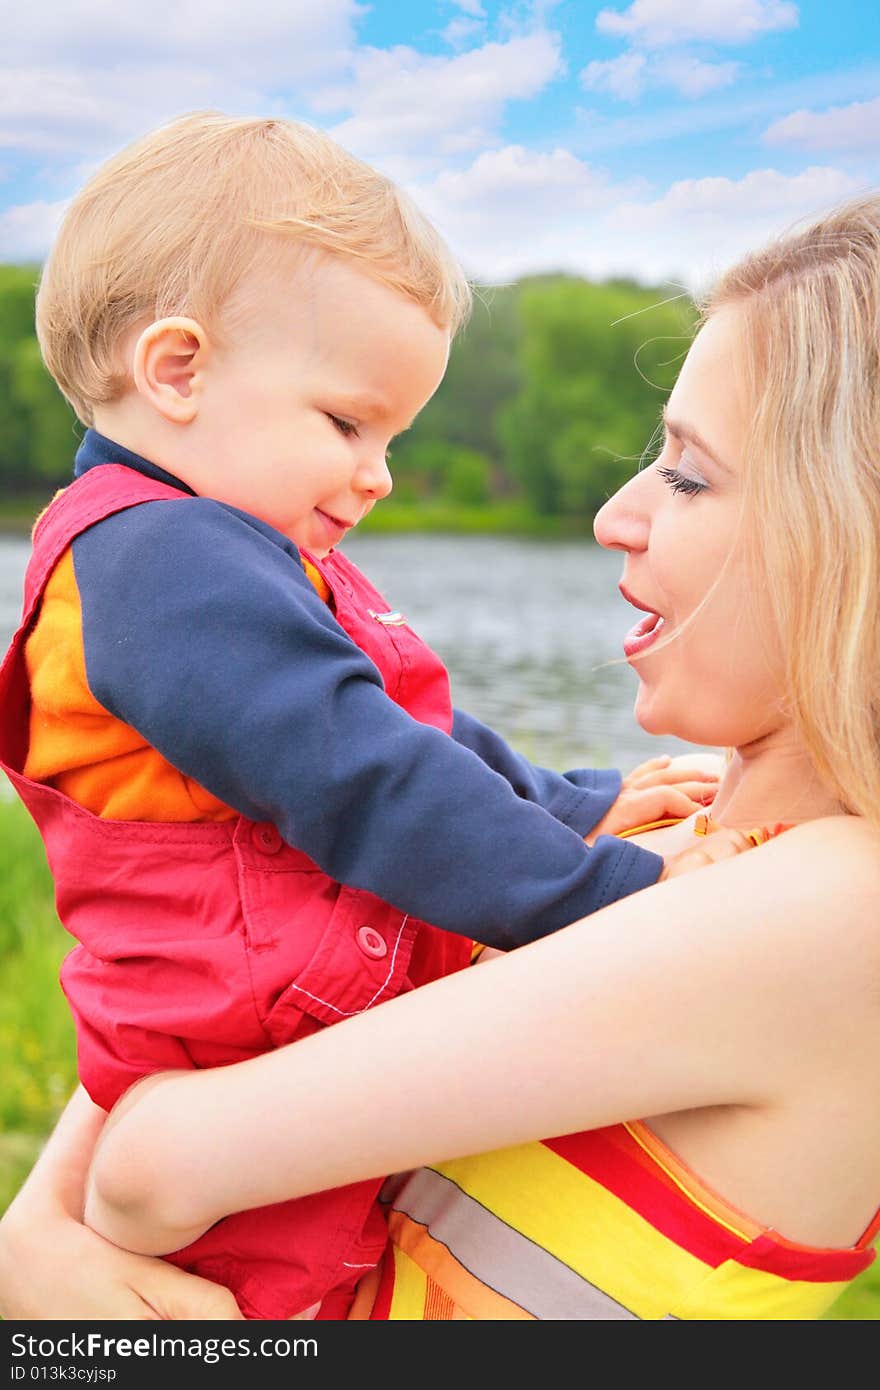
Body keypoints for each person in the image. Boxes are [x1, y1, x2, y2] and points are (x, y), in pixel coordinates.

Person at [40, 189, 880, 1322]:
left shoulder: (835, 906)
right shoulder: (651, 853)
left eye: (685, 471)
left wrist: (43, 1254)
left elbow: (149, 1166)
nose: (613, 515)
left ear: (850, 538)